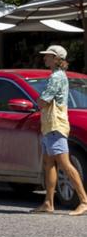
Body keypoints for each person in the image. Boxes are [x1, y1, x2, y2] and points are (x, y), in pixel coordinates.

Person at [31, 45, 87, 216]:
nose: (44, 58)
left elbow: (43, 101)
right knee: (48, 163)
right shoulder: (55, 76)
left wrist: (39, 100)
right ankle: (48, 202)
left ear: (56, 59)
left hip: (55, 124)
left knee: (64, 163)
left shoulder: (56, 77)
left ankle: (84, 201)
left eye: (48, 56)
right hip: (50, 125)